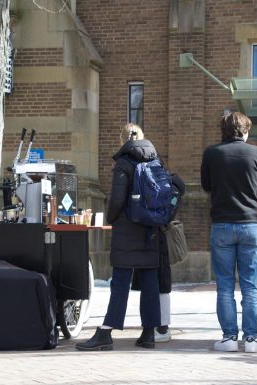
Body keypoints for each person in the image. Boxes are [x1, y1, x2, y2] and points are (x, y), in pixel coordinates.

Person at [76, 123, 163, 351]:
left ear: (122, 140)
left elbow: (116, 200)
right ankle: (149, 333)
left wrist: (111, 218)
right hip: (150, 229)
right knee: (150, 279)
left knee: (121, 280)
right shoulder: (156, 161)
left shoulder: (123, 164)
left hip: (126, 228)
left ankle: (107, 331)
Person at [200, 112, 257, 353]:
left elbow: (206, 185)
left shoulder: (211, 153)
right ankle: (251, 339)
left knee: (225, 286)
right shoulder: (256, 153)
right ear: (245, 131)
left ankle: (229, 337)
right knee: (251, 286)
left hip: (221, 224)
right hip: (249, 224)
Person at [131, 173, 186, 343]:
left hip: (155, 238)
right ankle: (156, 327)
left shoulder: (169, 188)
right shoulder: (169, 186)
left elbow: (167, 214)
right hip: (154, 238)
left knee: (160, 283)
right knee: (156, 283)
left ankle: (161, 327)